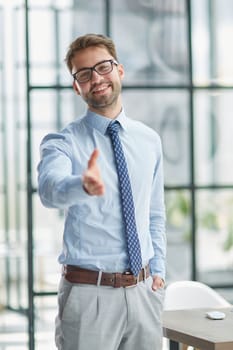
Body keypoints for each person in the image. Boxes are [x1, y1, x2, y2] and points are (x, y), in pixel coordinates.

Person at [37, 33, 166, 350]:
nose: (96, 78)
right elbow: (50, 190)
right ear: (76, 86)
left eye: (103, 67)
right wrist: (81, 184)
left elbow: (154, 213)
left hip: (143, 292)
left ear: (119, 71)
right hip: (89, 297)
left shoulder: (149, 140)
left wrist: (158, 271)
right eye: (84, 73)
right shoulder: (62, 142)